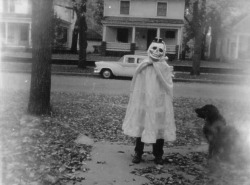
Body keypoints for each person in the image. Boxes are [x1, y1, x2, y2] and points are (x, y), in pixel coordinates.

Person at [122, 38, 176, 165]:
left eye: (160, 50)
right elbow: (138, 84)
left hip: (159, 103)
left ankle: (158, 155)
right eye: (154, 48)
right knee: (141, 127)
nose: (156, 51)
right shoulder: (143, 65)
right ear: (149, 49)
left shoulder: (164, 67)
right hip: (144, 102)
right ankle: (138, 153)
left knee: (159, 129)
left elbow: (168, 85)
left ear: (164, 52)